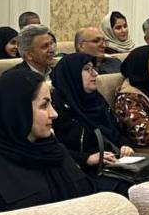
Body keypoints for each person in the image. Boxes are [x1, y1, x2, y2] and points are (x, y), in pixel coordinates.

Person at [0, 69, 95, 215]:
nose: (54, 114)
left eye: (51, 104)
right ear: (18, 110)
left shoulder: (54, 150)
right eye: (44, 106)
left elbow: (89, 199)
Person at [49, 53, 136, 194]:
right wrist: (87, 159)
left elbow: (118, 130)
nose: (95, 73)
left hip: (114, 163)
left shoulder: (96, 100)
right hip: (81, 172)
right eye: (87, 69)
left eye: (94, 68)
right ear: (72, 74)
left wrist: (125, 145)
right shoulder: (55, 108)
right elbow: (52, 148)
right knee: (126, 189)